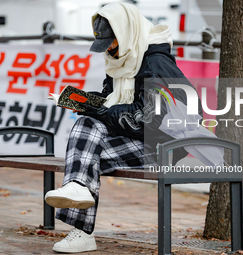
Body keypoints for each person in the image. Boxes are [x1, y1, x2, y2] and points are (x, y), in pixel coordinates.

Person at [44, 2, 202, 253]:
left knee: (86, 155)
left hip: (167, 144)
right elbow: (113, 101)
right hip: (136, 138)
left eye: (112, 41)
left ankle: (82, 226)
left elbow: (149, 118)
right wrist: (88, 102)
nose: (109, 48)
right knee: (86, 129)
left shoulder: (156, 62)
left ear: (127, 32)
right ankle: (78, 189)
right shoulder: (121, 57)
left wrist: (103, 111)